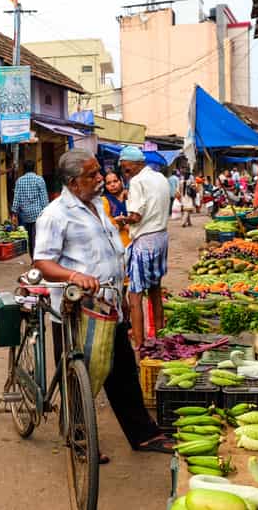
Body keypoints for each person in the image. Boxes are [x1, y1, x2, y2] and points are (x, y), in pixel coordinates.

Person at [33, 148, 172, 460]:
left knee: (123, 372)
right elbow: (42, 261)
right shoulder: (55, 215)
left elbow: (111, 251)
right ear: (72, 182)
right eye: (92, 175)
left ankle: (143, 434)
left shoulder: (98, 205)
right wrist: (74, 275)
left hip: (110, 305)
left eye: (99, 172)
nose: (100, 179)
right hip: (76, 312)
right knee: (77, 377)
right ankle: (78, 438)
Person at [116, 146, 171, 349]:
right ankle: (160, 337)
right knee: (155, 290)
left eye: (126, 167)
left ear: (137, 163)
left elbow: (136, 216)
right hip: (161, 237)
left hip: (145, 240)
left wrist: (122, 220)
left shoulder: (137, 181)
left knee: (135, 294)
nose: (124, 172)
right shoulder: (160, 178)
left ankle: (140, 346)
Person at [10, 159, 49, 259]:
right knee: (37, 237)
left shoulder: (19, 181)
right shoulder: (39, 179)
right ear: (34, 168)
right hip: (38, 214)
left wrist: (14, 213)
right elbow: (44, 198)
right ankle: (37, 259)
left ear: (24, 169)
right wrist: (47, 212)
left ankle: (33, 258)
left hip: (25, 215)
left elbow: (16, 198)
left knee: (30, 237)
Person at [102, 170, 130, 249]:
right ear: (105, 186)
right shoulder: (105, 200)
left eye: (115, 181)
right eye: (108, 183)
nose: (112, 185)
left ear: (121, 181)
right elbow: (105, 226)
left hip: (136, 240)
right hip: (119, 244)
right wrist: (120, 223)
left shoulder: (130, 195)